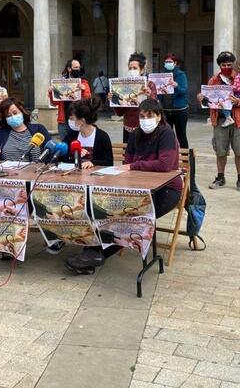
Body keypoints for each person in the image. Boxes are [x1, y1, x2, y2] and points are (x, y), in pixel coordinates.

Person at [65, 99, 182, 274]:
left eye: (150, 116)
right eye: (142, 116)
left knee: (131, 216)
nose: (145, 120)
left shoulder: (166, 133)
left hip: (165, 190)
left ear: (159, 117)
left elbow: (164, 164)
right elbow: (127, 162)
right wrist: (133, 167)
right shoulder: (136, 135)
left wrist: (135, 166)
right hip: (137, 187)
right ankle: (93, 252)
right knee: (108, 210)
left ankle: (99, 253)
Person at [197, 51, 240, 192]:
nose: (226, 67)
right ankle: (220, 177)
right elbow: (208, 100)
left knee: (239, 150)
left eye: (229, 64)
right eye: (223, 65)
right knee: (220, 150)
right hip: (220, 120)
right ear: (219, 66)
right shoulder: (214, 80)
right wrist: (202, 98)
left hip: (239, 120)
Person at [0, 98, 52, 162]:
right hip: (10, 173)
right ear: (5, 118)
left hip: (36, 173)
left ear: (22, 111)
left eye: (15, 113)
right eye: (9, 115)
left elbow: (51, 150)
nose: (13, 117)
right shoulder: (1, 133)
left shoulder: (39, 129)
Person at [110, 52, 157, 143]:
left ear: (142, 70)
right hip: (128, 129)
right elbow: (120, 113)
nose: (132, 70)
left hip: (145, 127)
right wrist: (114, 100)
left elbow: (155, 108)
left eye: (135, 68)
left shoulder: (150, 85)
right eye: (130, 68)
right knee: (128, 155)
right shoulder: (123, 86)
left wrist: (150, 96)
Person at [61, 97, 113, 168]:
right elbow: (62, 157)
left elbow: (109, 162)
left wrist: (93, 163)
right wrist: (74, 154)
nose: (69, 121)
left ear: (82, 120)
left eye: (72, 119)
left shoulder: (102, 137)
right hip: (75, 176)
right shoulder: (71, 135)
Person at [49, 59, 91, 138]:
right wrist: (51, 93)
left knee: (80, 144)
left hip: (79, 119)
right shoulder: (60, 83)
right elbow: (54, 103)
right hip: (64, 120)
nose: (78, 69)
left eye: (79, 67)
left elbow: (88, 100)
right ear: (69, 69)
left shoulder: (84, 83)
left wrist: (83, 89)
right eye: (75, 67)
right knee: (65, 145)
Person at [158, 53, 189, 149]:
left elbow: (184, 91)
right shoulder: (161, 75)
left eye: (170, 62)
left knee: (181, 135)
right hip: (166, 110)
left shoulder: (181, 75)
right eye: (166, 62)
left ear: (175, 63)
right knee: (167, 136)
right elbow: (158, 93)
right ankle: (170, 158)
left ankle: (185, 160)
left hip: (179, 110)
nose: (168, 63)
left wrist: (176, 86)